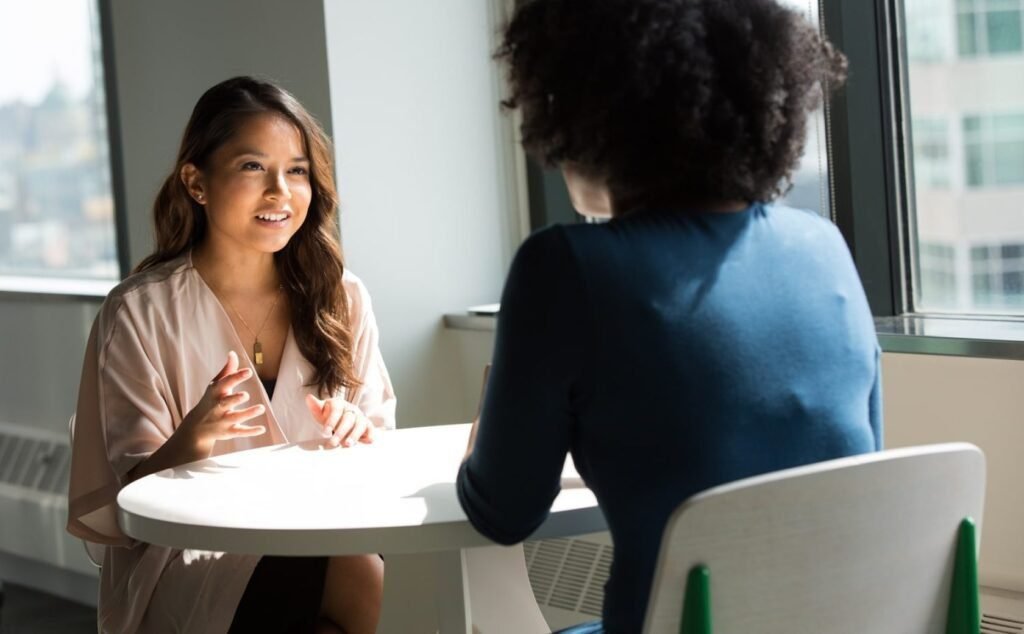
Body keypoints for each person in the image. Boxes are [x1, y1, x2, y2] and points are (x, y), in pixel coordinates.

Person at [456, 1, 881, 633]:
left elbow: (504, 512)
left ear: (585, 107)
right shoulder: (824, 248)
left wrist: (485, 441)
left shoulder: (566, 268)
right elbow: (865, 468)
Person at [66, 76, 395, 634]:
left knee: (360, 566)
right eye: (252, 167)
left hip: (323, 533)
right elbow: (131, 509)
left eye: (296, 170)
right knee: (358, 572)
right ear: (197, 182)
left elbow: (383, 452)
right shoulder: (139, 312)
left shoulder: (342, 297)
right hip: (188, 559)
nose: (280, 192)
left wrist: (357, 430)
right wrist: (193, 437)